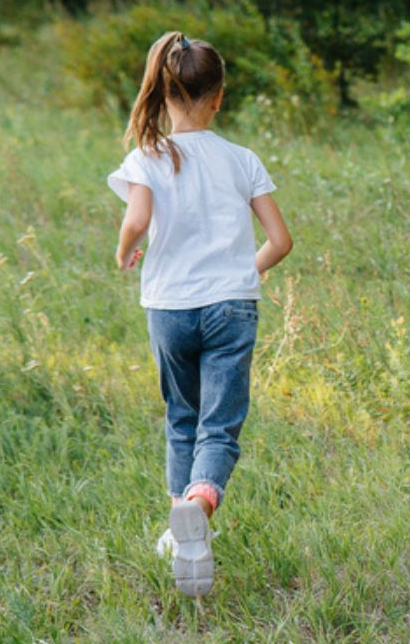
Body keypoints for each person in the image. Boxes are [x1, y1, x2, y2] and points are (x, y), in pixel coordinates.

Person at [108, 31, 293, 597]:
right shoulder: (242, 159)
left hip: (168, 305)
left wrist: (124, 251)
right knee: (220, 424)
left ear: (163, 95)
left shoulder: (148, 157)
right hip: (231, 305)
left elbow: (137, 220)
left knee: (181, 417)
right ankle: (199, 504)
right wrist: (243, 272)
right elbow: (280, 240)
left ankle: (179, 529)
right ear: (219, 97)